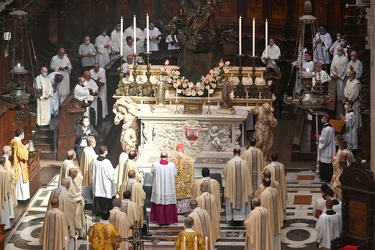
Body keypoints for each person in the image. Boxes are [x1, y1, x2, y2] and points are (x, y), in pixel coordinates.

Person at [223, 148, 252, 224]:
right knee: (242, 198)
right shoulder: (244, 163)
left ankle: (232, 218)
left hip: (232, 189)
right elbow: (248, 176)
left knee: (232, 197)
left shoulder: (229, 163)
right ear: (240, 153)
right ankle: (241, 218)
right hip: (242, 188)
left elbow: (225, 173)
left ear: (233, 153)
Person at [48, 178, 78, 249]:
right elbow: (72, 208)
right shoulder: (67, 194)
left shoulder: (54, 191)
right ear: (68, 185)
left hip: (52, 218)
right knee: (65, 237)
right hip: (62, 220)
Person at [150, 151, 178, 225]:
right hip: (168, 188)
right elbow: (175, 174)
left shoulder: (155, 165)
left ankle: (159, 219)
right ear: (167, 157)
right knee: (168, 202)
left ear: (160, 157)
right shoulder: (172, 165)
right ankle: (169, 220)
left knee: (159, 202)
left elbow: (152, 173)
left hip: (158, 187)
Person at [169, 143, 195, 214]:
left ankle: (176, 210)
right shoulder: (188, 159)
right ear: (182, 149)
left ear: (176, 149)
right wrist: (186, 155)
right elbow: (192, 162)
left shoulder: (171, 159)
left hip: (176, 183)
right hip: (185, 183)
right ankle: (184, 210)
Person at [258, 177, 282, 250]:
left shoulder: (264, 194)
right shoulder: (275, 190)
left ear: (263, 184)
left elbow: (261, 208)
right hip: (276, 217)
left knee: (269, 234)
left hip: (269, 219)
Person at [92, 145, 116, 215]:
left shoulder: (94, 161)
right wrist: (113, 179)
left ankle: (98, 214)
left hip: (97, 185)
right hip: (105, 185)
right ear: (105, 152)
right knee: (106, 203)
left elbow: (92, 170)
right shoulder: (106, 162)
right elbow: (110, 174)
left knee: (99, 201)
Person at [10, 128, 30, 204]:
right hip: (19, 165)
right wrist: (25, 148)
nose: (23, 135)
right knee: (21, 181)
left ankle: (17, 197)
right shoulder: (18, 142)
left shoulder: (12, 141)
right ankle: (22, 197)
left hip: (14, 164)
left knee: (18, 182)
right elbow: (22, 155)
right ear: (21, 134)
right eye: (23, 134)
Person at [315, 115, 336, 182]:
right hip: (329, 148)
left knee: (325, 163)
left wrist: (319, 137)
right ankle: (326, 176)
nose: (322, 119)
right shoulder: (331, 127)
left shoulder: (326, 129)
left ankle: (325, 177)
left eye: (323, 118)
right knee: (327, 163)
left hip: (326, 149)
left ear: (326, 120)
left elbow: (325, 140)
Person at [66, 168, 86, 238]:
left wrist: (79, 193)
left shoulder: (72, 180)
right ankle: (75, 234)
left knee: (78, 219)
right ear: (74, 173)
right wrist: (80, 194)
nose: (77, 174)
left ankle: (79, 234)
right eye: (76, 173)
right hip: (75, 205)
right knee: (75, 221)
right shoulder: (68, 182)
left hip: (78, 205)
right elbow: (70, 196)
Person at [330, 46, 349, 119]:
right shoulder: (335, 57)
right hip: (334, 77)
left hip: (341, 78)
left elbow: (345, 68)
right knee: (334, 95)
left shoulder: (345, 58)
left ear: (342, 51)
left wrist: (339, 75)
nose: (339, 52)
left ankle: (340, 114)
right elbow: (332, 66)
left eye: (340, 50)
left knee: (340, 96)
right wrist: (334, 74)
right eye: (338, 50)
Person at [3, 145, 17, 218]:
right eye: (10, 150)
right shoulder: (7, 161)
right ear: (7, 151)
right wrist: (13, 171)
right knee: (9, 199)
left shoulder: (3, 159)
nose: (11, 151)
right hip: (7, 184)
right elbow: (9, 174)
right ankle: (10, 215)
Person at [0, 156, 11, 229]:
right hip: (2, 194)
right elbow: (7, 186)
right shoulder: (4, 172)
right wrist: (9, 194)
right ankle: (4, 226)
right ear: (3, 163)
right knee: (4, 210)